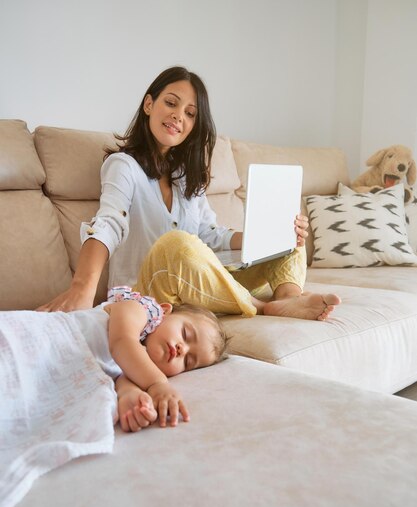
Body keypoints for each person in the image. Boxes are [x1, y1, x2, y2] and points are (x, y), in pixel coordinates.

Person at [39, 65, 341, 321]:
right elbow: (108, 224)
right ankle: (262, 306)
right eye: (170, 103)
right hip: (145, 293)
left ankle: (289, 297)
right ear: (149, 105)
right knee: (178, 244)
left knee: (289, 237)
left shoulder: (185, 178)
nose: (178, 116)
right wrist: (82, 288)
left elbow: (210, 235)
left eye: (190, 113)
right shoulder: (124, 166)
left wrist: (264, 237)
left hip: (196, 286)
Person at [21, 287, 228, 433]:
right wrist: (157, 384)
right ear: (164, 311)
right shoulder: (139, 309)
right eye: (185, 333)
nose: (182, 349)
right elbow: (122, 343)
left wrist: (132, 401)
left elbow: (123, 380)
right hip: (36, 338)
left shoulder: (138, 367)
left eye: (189, 362)